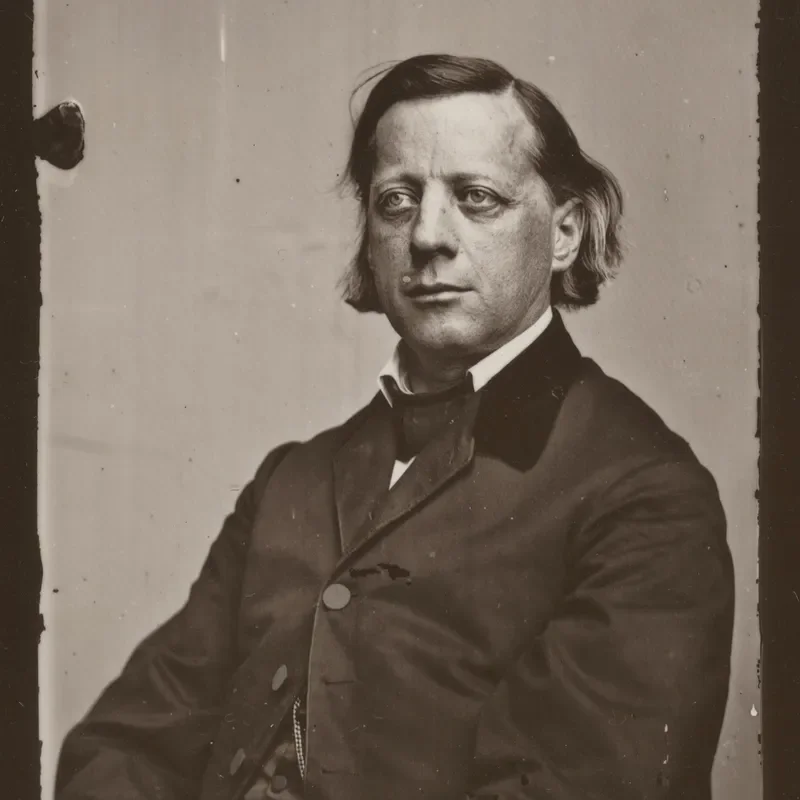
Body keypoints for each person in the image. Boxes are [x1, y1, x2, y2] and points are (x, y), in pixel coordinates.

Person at [55, 54, 734, 800]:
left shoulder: (643, 493)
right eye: (396, 201)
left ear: (566, 231)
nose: (426, 238)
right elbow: (121, 747)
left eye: (477, 198)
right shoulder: (292, 480)